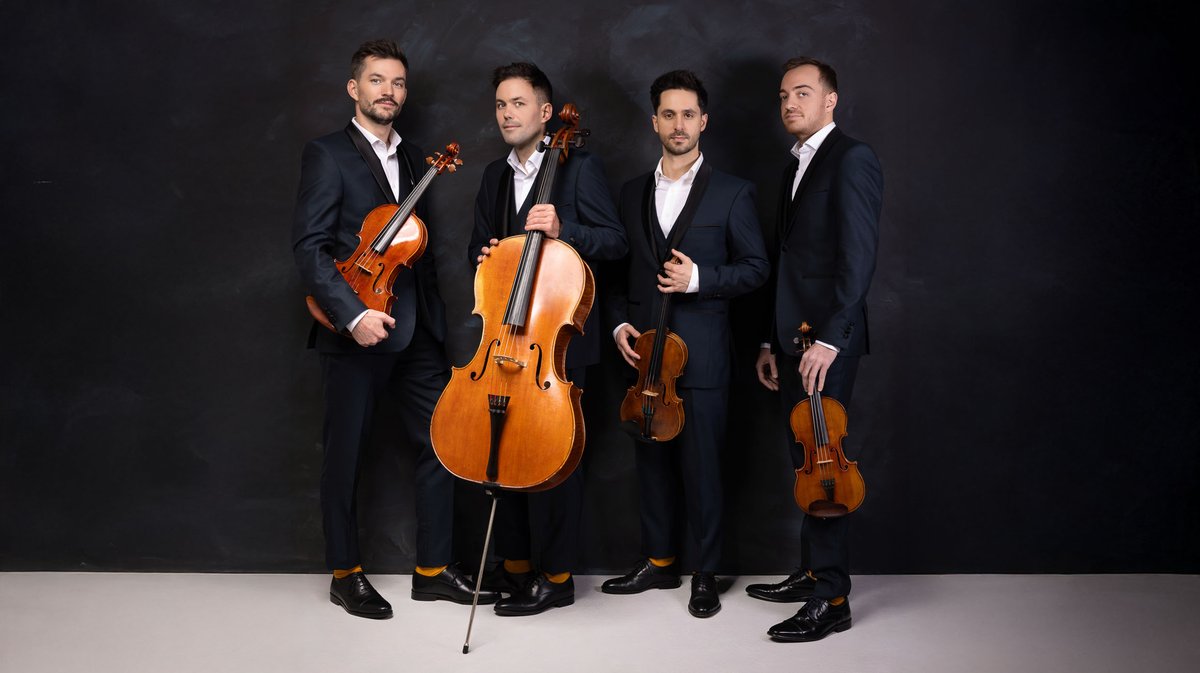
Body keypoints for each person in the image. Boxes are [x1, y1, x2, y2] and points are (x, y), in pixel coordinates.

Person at [292, 39, 498, 619]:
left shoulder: (413, 161)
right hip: (354, 328)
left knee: (441, 442)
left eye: (398, 82)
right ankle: (345, 573)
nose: (389, 91)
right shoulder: (327, 154)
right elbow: (310, 248)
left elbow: (416, 253)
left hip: (416, 334)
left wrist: (436, 327)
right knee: (346, 454)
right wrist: (353, 316)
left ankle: (433, 569)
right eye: (377, 80)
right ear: (354, 88)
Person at [602, 70, 768, 618]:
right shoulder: (630, 192)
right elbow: (618, 273)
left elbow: (756, 268)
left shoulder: (733, 191)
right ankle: (658, 560)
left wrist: (700, 279)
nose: (679, 124)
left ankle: (705, 571)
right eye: (668, 114)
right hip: (644, 355)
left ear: (704, 121)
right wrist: (619, 325)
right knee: (650, 461)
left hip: (704, 357)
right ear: (654, 122)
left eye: (688, 114)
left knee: (703, 470)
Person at [468, 62, 627, 616]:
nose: (507, 114)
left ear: (545, 112)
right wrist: (486, 257)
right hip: (505, 339)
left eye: (518, 103)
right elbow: (476, 251)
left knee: (553, 456)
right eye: (500, 105)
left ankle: (556, 576)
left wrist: (565, 230)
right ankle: (515, 567)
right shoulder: (494, 175)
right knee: (501, 450)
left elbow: (615, 242)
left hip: (557, 343)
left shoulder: (579, 167)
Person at [749, 56, 883, 642]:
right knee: (806, 460)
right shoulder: (794, 165)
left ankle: (832, 598)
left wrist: (830, 339)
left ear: (831, 100)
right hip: (793, 338)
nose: (789, 104)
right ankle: (810, 572)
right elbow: (788, 263)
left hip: (826, 342)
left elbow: (859, 257)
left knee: (825, 468)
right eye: (783, 96)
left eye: (802, 93)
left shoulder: (852, 158)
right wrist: (768, 340)